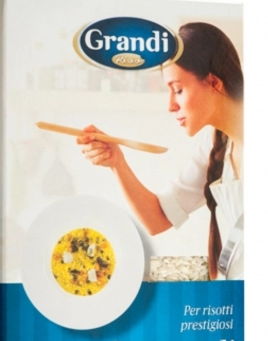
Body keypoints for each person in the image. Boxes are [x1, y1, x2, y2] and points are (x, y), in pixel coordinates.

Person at [77, 22, 244, 280]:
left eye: (178, 90)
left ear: (213, 82)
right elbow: (158, 218)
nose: (170, 105)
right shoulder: (215, 146)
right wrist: (117, 162)